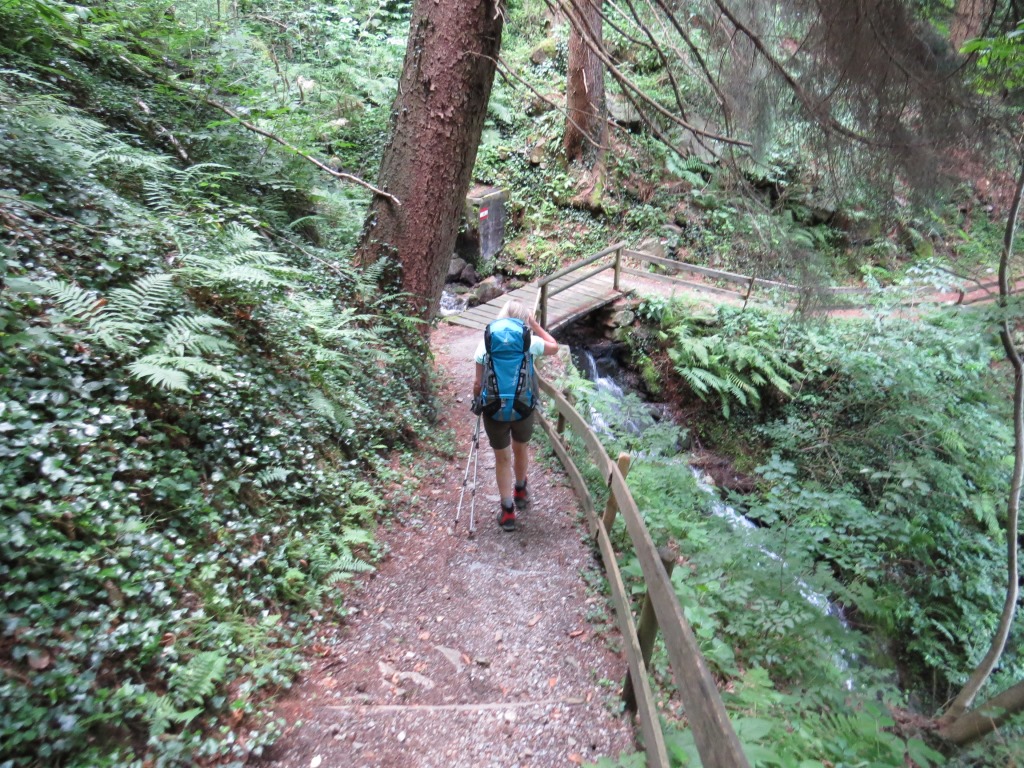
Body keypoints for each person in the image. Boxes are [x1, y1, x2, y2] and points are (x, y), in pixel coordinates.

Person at [472, 300, 559, 531]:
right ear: (524, 320)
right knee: (521, 449)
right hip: (522, 408)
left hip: (494, 410)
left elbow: (478, 383)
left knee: (502, 459)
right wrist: (535, 325)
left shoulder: (486, 342)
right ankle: (520, 491)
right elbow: (555, 346)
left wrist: (477, 401)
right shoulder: (530, 341)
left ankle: (508, 511)